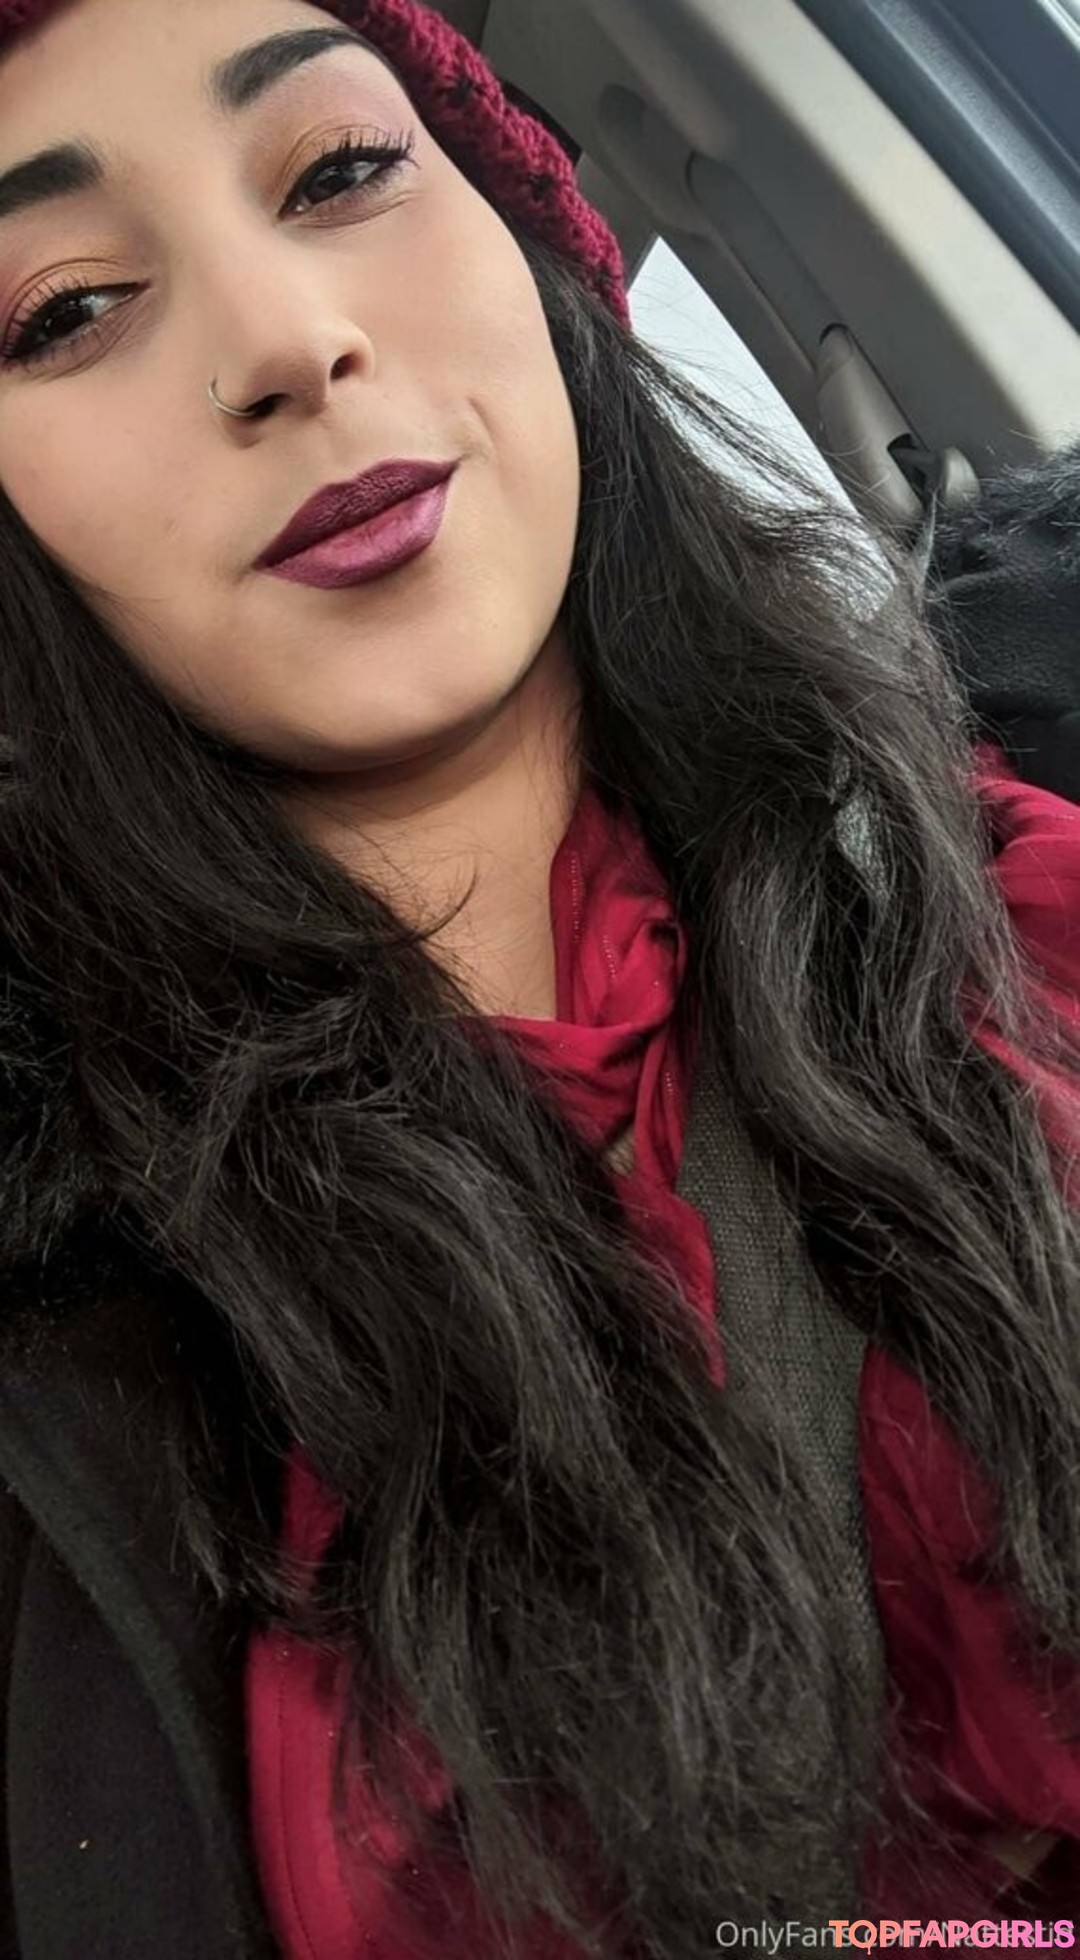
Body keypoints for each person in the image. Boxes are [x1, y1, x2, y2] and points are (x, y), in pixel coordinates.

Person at [0, 0, 1078, 1954]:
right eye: (65, 311)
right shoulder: (74, 1400)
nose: (287, 342)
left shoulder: (1026, 874)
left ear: (533, 251)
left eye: (342, 170)